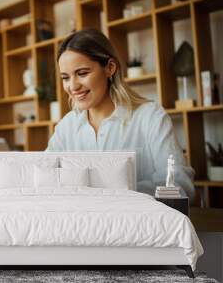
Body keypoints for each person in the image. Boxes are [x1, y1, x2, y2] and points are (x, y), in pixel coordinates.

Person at [46, 28, 195, 202]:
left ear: (110, 68)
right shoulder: (66, 127)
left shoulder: (150, 117)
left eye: (82, 73)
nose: (73, 86)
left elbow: (179, 188)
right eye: (65, 77)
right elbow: (45, 180)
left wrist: (115, 191)